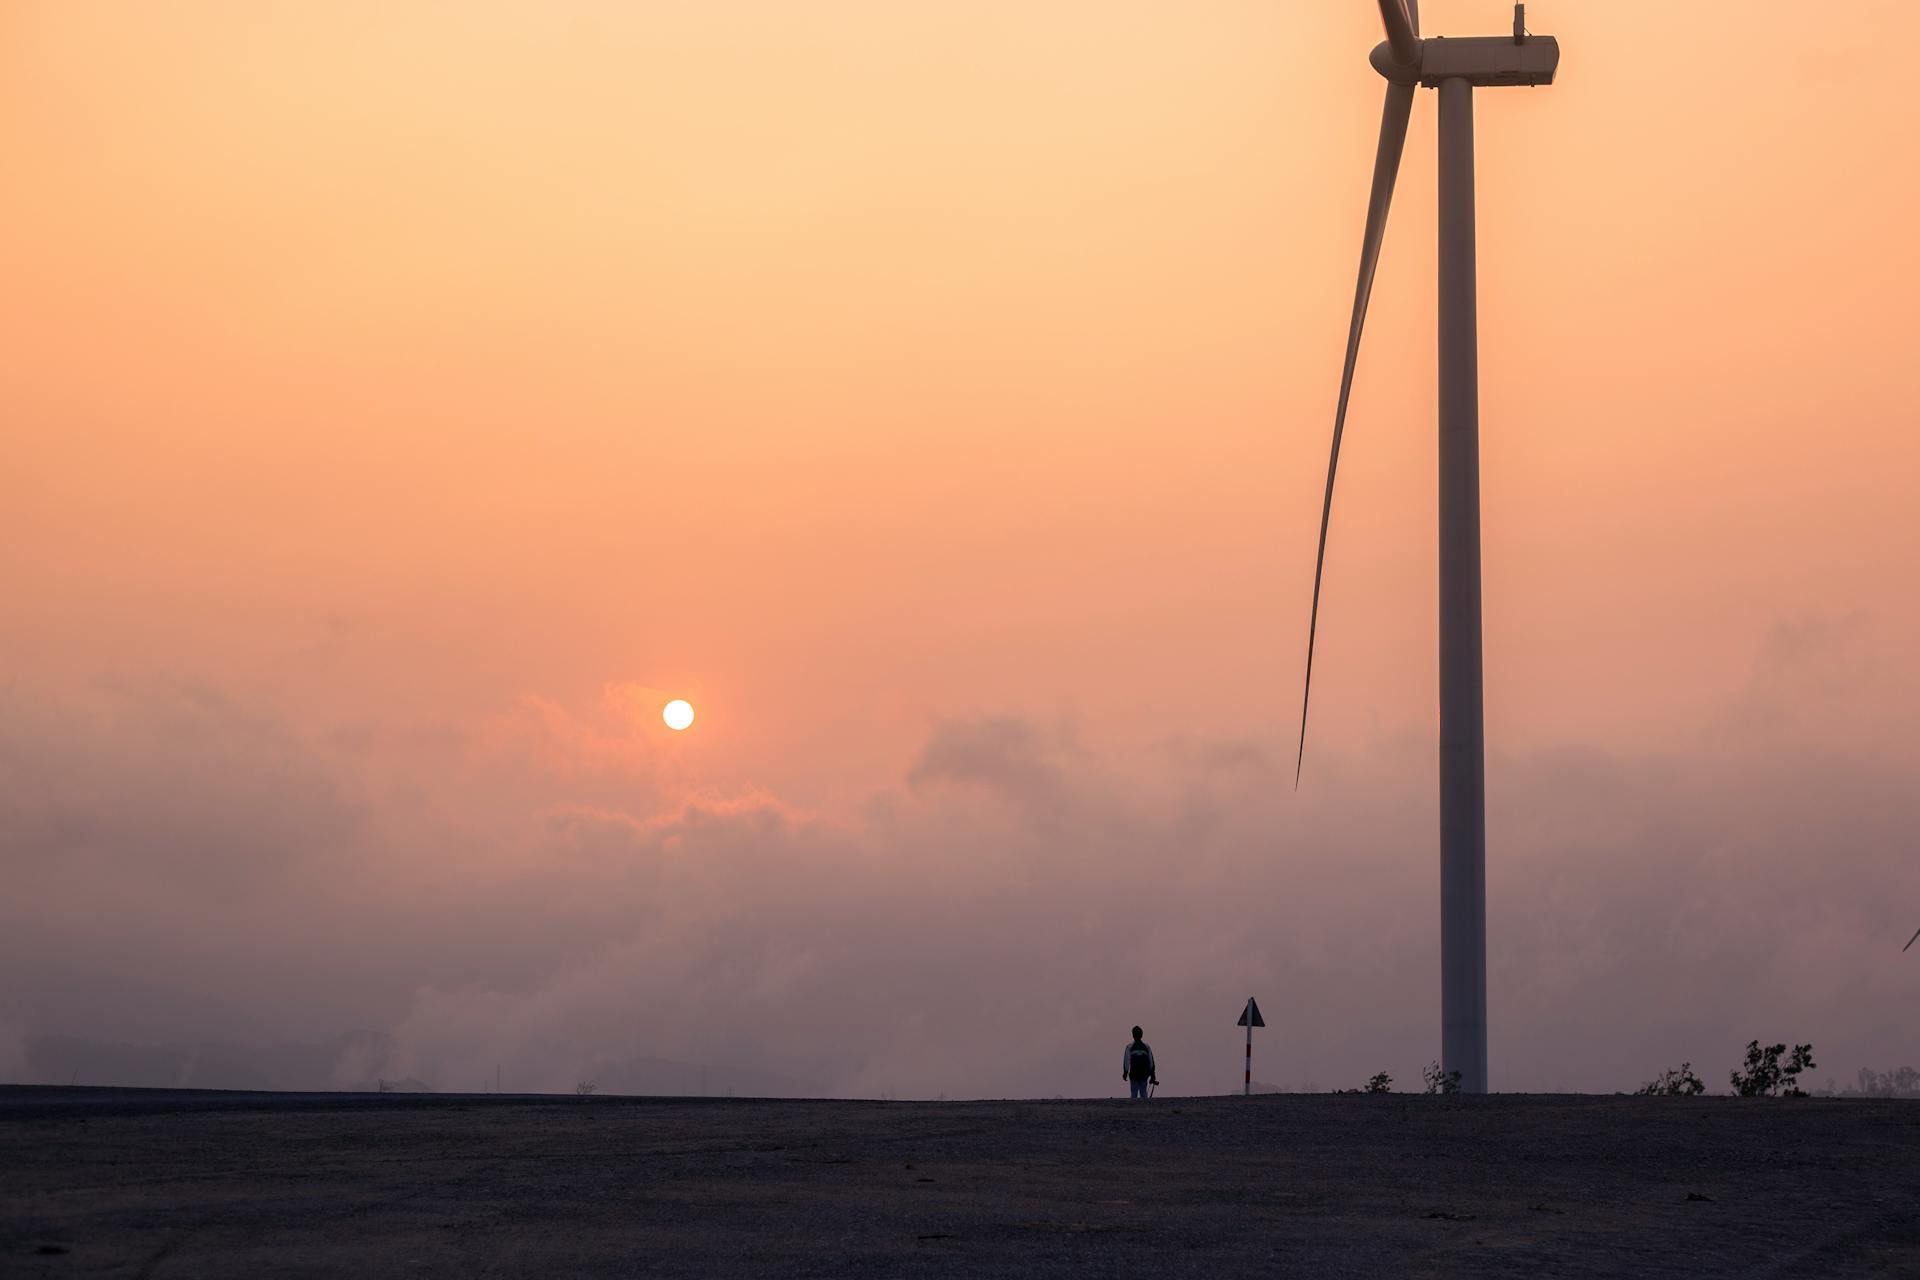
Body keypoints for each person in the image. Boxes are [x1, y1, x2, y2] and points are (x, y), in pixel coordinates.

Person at [1122, 1026, 1157, 1099]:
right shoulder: (1146, 1046)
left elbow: (1126, 1061)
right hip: (1144, 1074)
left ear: (1133, 1035)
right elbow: (1151, 1062)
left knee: (1134, 1093)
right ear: (1142, 1035)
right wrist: (1152, 1075)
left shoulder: (1129, 1047)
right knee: (1143, 1092)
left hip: (1134, 1074)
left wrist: (1125, 1073)